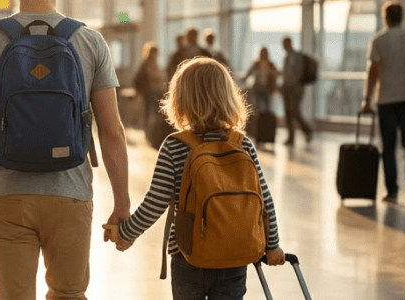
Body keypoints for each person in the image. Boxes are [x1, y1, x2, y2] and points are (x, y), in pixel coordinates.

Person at [0, 0, 130, 298]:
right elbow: (113, 133)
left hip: (7, 193)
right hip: (70, 193)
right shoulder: (89, 40)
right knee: (68, 294)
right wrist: (121, 204)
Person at [111, 57, 284, 300]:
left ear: (180, 99)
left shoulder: (174, 146)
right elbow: (264, 199)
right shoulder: (242, 143)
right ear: (228, 96)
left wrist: (127, 232)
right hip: (234, 255)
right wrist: (273, 245)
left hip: (188, 256)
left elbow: (155, 202)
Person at [360, 1, 405, 204]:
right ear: (402, 16)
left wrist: (367, 99)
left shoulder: (379, 40)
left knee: (389, 146)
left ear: (386, 17)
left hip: (387, 99)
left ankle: (392, 191)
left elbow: (373, 72)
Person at [280, 36, 313, 146]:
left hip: (295, 89)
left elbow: (297, 74)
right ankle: (291, 137)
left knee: (295, 111)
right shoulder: (286, 57)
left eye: (285, 43)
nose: (283, 46)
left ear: (289, 43)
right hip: (286, 88)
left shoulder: (296, 56)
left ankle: (307, 130)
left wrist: (289, 84)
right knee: (288, 113)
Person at [134, 41, 166, 129]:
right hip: (150, 91)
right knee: (151, 112)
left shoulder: (153, 62)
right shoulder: (147, 63)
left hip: (155, 91)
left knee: (154, 112)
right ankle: (150, 130)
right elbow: (152, 76)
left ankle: (152, 130)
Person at [244, 47, 280, 112]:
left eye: (265, 53)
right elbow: (249, 73)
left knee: (268, 106)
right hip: (258, 87)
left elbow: (275, 74)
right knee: (257, 106)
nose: (264, 54)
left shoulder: (271, 64)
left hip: (267, 87)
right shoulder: (256, 64)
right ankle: (258, 120)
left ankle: (266, 119)